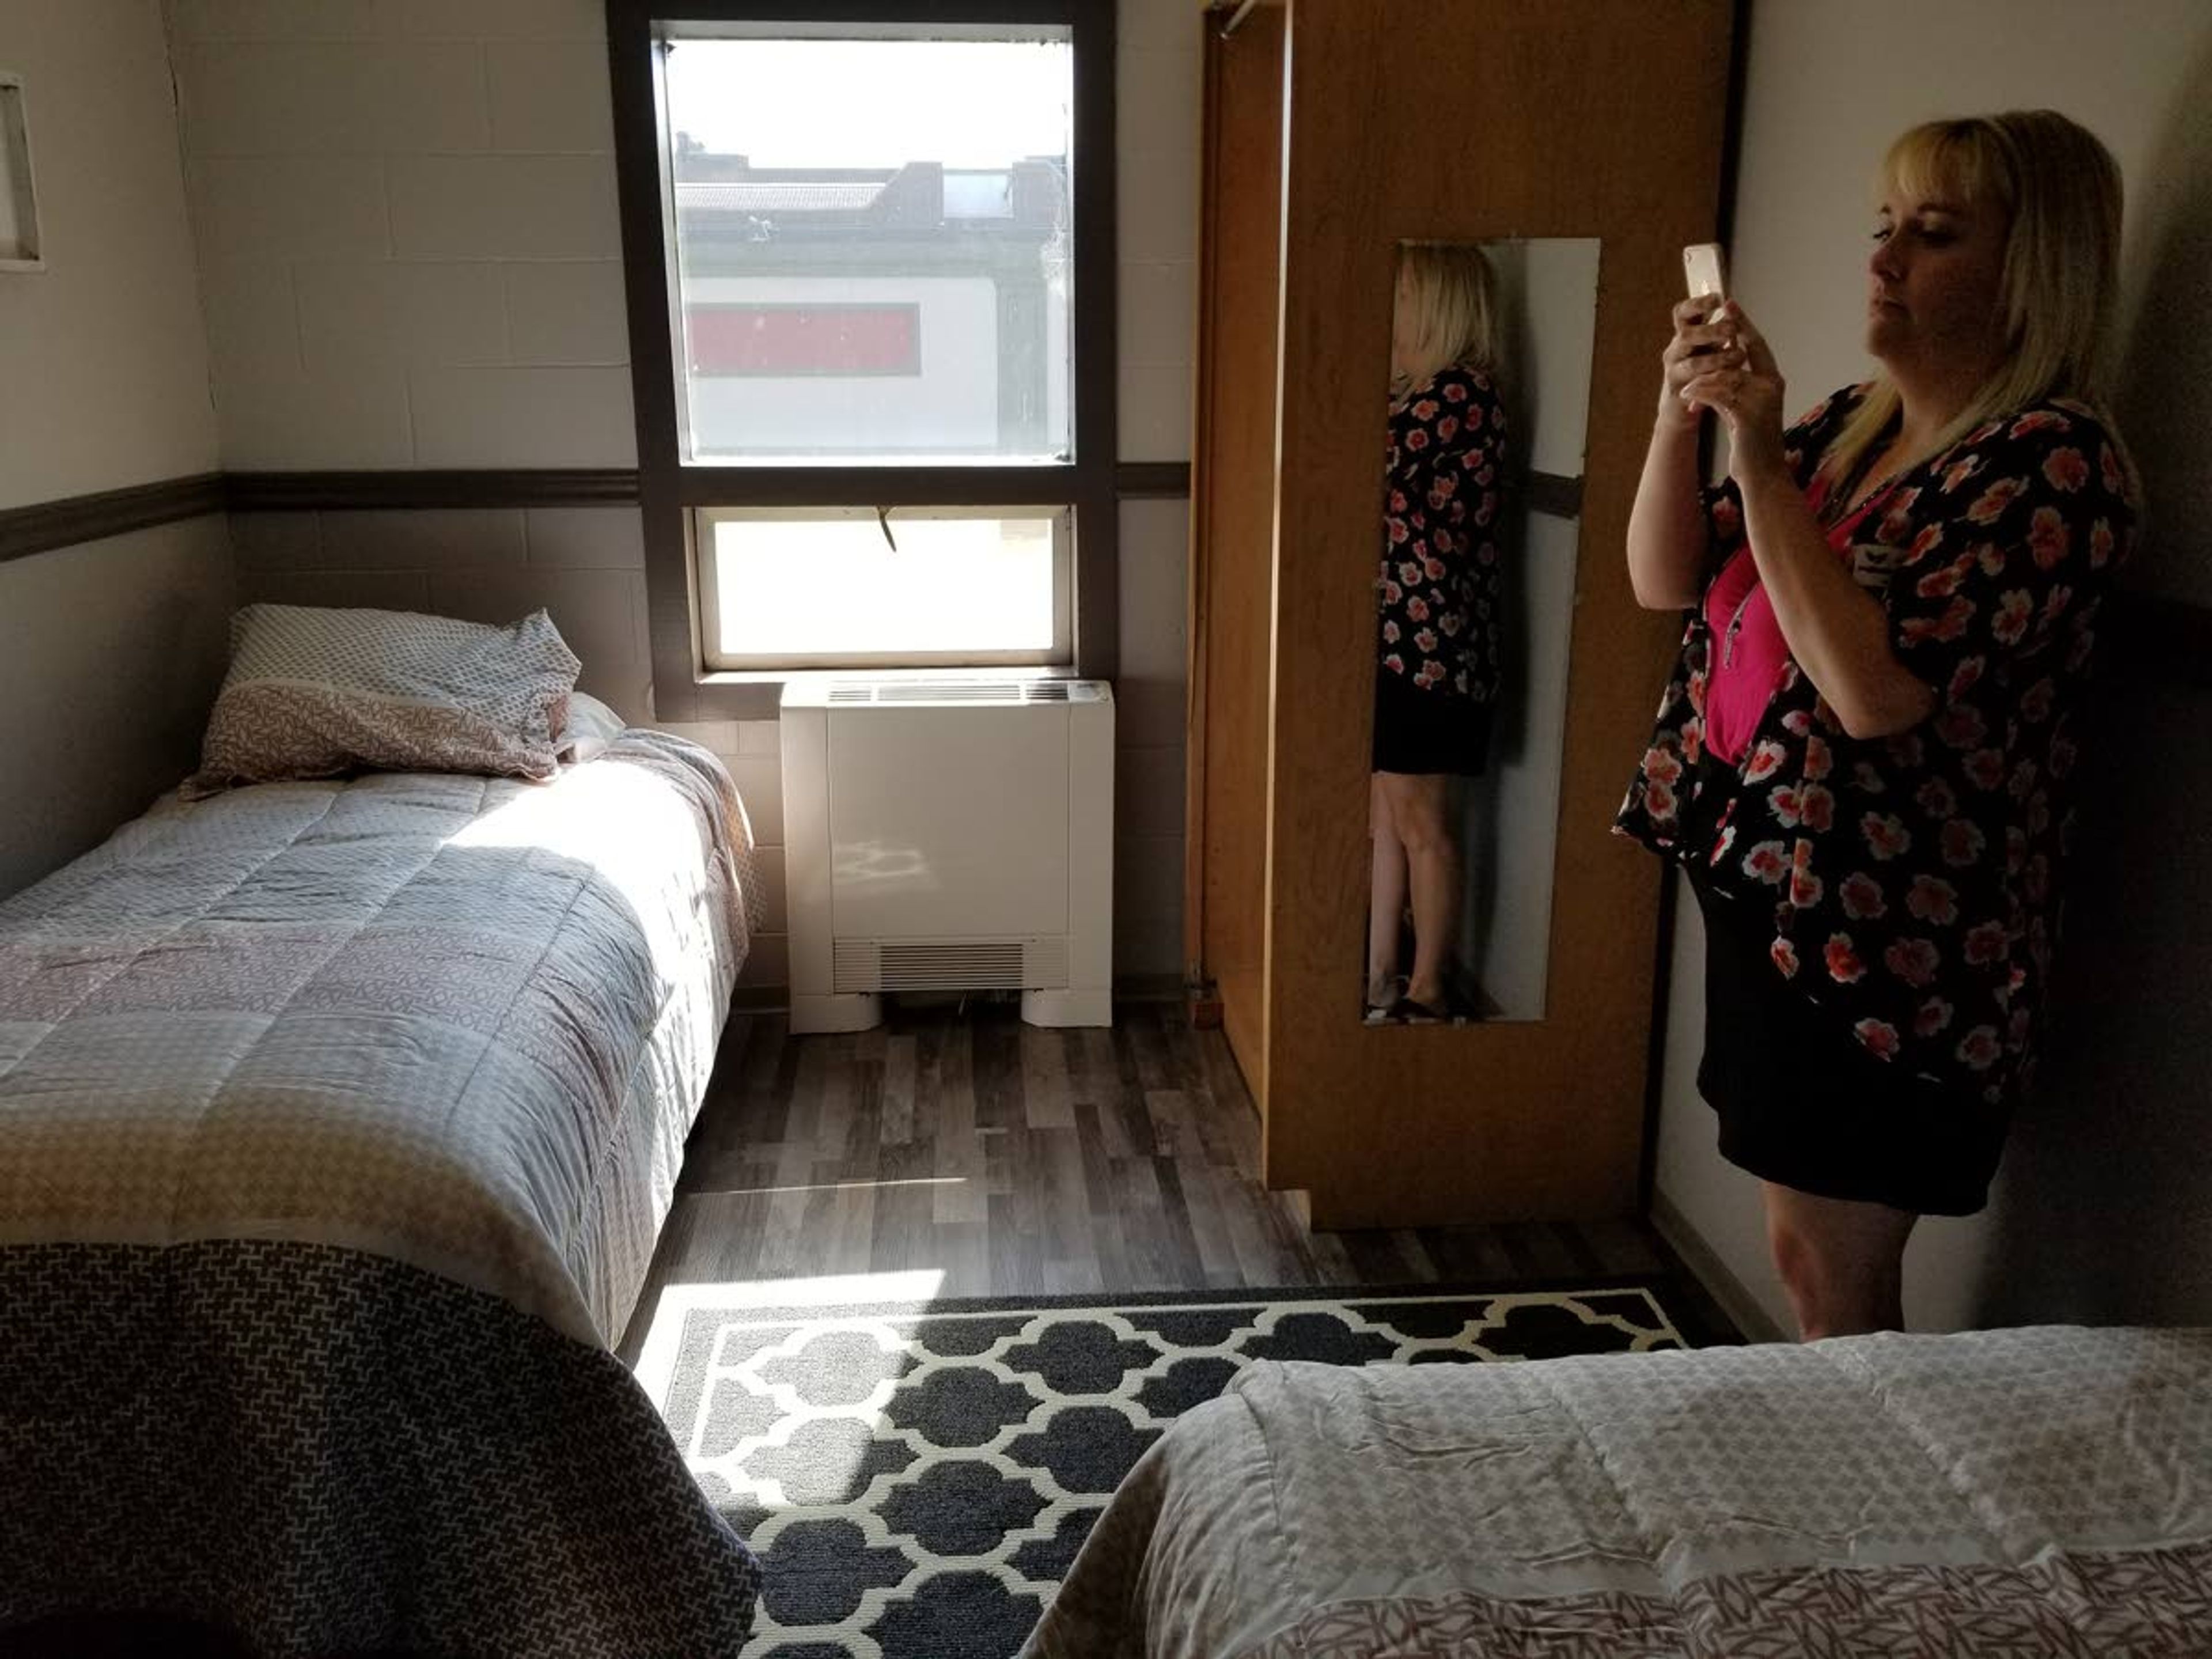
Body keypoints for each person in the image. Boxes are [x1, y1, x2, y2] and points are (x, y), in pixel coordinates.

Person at [1616, 111, 2139, 1339]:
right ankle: (1840, 1486)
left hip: (1892, 936)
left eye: (1936, 233)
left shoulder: (2052, 467)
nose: (1885, 258)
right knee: (1804, 1248)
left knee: (1827, 1266)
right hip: (1777, 894)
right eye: (1883, 226)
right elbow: (1661, 577)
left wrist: (1754, 455)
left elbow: (1872, 691)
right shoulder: (1856, 429)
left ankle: (1859, 1510)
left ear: (2036, 268)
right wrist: (1677, 415)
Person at [1368, 243, 1510, 1025]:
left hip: (1430, 649)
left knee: (1423, 824)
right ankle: (1382, 977)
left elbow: (1368, 467)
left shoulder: (1459, 395)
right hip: (1397, 639)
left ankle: (1426, 989)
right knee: (1385, 820)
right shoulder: (1417, 393)